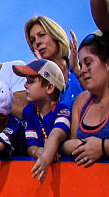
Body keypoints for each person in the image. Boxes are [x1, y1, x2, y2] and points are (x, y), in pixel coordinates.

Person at [11, 60, 72, 181]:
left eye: (31, 82)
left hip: (67, 173)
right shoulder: (29, 112)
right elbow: (31, 145)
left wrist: (45, 157)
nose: (25, 85)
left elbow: (56, 135)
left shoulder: (62, 110)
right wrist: (38, 151)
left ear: (49, 88)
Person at [61, 32, 109, 167]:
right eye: (80, 65)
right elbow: (68, 145)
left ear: (107, 64)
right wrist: (84, 145)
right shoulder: (81, 101)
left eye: (88, 63)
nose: (82, 70)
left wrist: (103, 147)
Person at [24, 16, 84, 108]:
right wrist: (45, 74)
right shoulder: (38, 84)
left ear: (56, 35)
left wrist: (76, 70)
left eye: (42, 35)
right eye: (33, 40)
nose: (37, 42)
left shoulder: (84, 66)